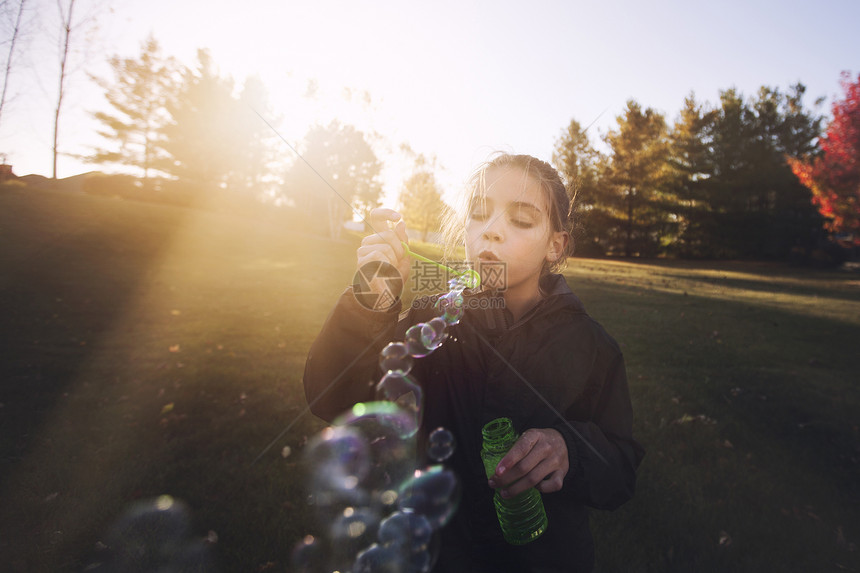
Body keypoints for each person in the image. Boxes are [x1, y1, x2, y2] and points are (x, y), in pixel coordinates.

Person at [303, 153, 644, 572]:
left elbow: (621, 468)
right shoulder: (431, 318)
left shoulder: (591, 347)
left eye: (521, 220)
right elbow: (332, 396)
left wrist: (570, 450)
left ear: (555, 245)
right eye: (479, 214)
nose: (492, 230)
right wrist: (370, 303)